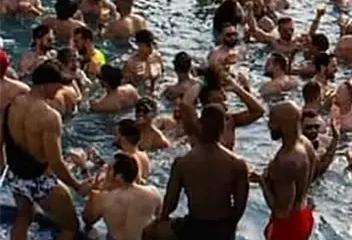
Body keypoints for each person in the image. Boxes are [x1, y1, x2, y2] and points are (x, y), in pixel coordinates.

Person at [4, 63, 91, 240]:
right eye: (57, 85)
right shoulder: (50, 117)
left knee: (24, 216)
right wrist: (77, 186)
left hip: (16, 176)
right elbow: (55, 162)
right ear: (46, 85)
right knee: (70, 226)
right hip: (41, 181)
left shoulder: (12, 105)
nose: (60, 89)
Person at [153, 104, 250, 240]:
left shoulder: (183, 162)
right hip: (223, 228)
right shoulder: (237, 163)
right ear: (223, 127)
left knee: (150, 232)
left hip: (194, 225)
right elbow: (240, 205)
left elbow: (171, 203)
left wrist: (160, 219)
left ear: (201, 126)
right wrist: (229, 227)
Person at [261, 101, 317, 240]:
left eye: (272, 121)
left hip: (289, 226)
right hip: (305, 214)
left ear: (284, 124)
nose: (269, 125)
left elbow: (282, 213)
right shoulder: (306, 144)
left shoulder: (285, 161)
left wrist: (264, 184)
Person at [83, 152, 162, 240]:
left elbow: (87, 220)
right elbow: (161, 221)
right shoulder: (153, 193)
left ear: (119, 177)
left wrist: (93, 193)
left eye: (109, 169)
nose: (105, 174)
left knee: (88, 231)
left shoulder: (103, 198)